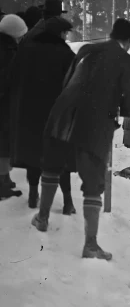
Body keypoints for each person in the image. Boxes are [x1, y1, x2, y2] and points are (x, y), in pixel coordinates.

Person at [32, 18, 130, 262]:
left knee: (51, 167)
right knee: (93, 183)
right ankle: (90, 245)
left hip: (61, 114)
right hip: (95, 124)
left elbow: (67, 81)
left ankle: (42, 218)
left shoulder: (86, 50)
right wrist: (126, 115)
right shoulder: (128, 62)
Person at [8, 16, 76, 212]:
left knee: (33, 154)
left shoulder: (25, 50)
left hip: (29, 113)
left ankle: (32, 194)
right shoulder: (67, 55)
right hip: (57, 115)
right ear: (60, 34)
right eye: (65, 33)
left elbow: (13, 79)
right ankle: (68, 202)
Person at [0, 14, 28, 199]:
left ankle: (5, 179)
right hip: (4, 105)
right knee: (3, 146)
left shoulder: (6, 48)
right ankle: (2, 186)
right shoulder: (8, 52)